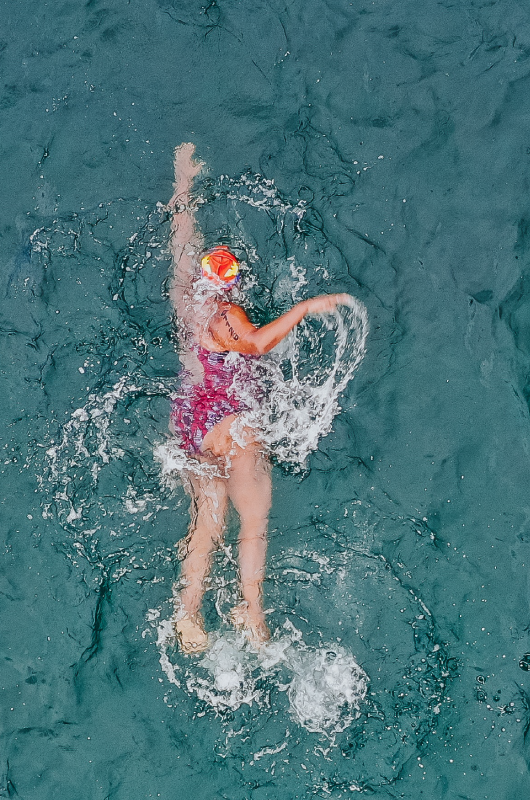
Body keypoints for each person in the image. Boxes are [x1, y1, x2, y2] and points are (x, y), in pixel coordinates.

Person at [167, 143, 351, 654]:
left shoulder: (186, 296)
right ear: (230, 285)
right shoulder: (227, 315)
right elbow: (252, 343)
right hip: (228, 422)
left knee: (209, 517)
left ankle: (187, 614)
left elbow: (181, 237)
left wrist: (183, 181)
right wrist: (306, 308)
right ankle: (250, 607)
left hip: (189, 421)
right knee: (254, 514)